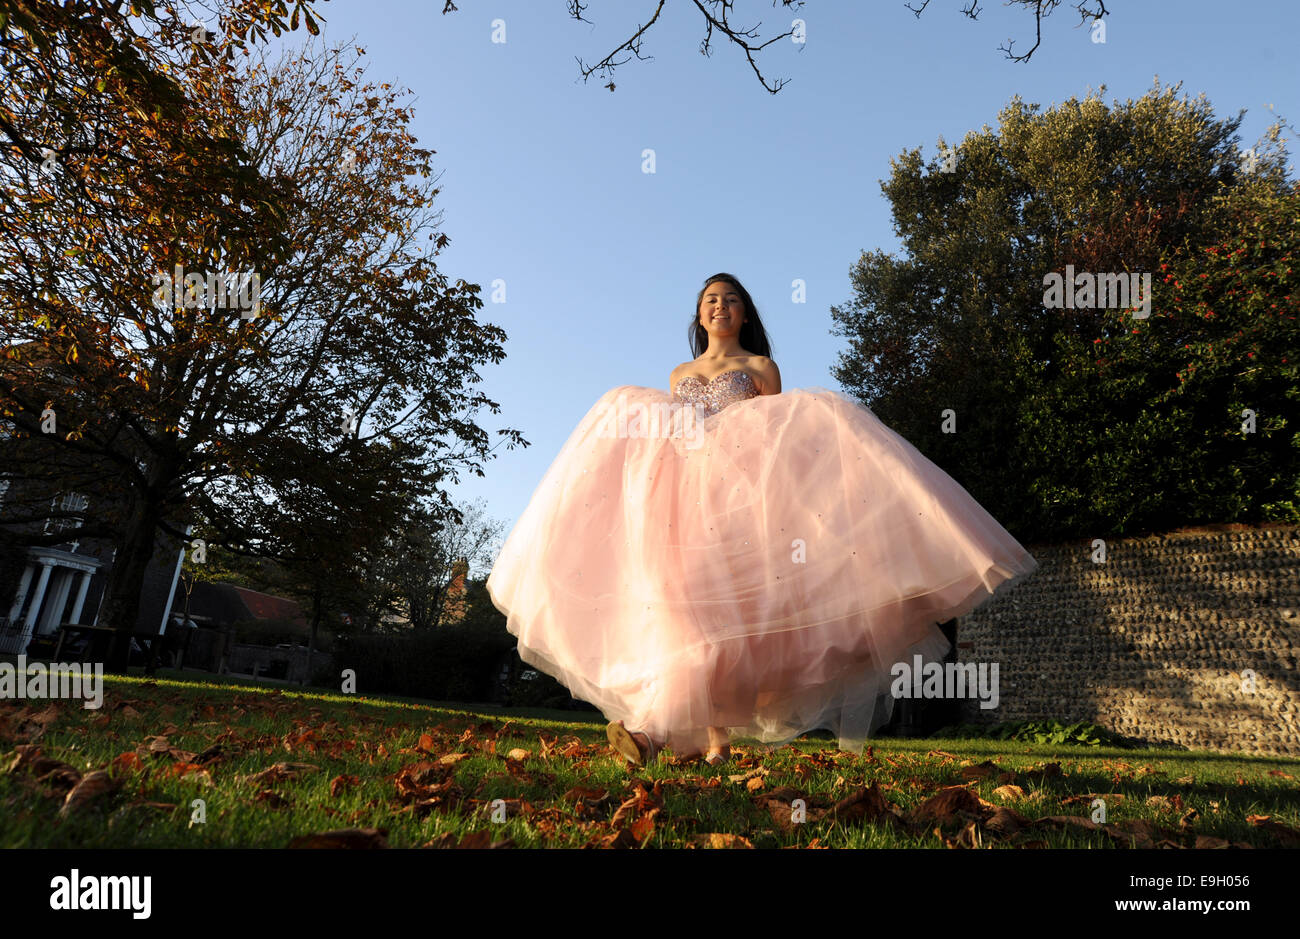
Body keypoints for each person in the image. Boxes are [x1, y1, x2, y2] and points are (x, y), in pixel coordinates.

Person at [486, 273, 1038, 766]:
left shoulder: (760, 368)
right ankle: (702, 738)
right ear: (698, 315)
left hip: (739, 506)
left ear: (745, 313)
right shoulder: (679, 373)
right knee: (683, 612)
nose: (719, 307)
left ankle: (661, 735)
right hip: (679, 506)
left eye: (729, 299)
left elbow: (777, 441)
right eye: (709, 300)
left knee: (730, 620)